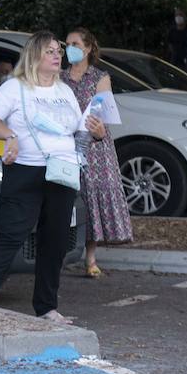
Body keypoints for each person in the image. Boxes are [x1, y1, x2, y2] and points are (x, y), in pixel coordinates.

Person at [0, 31, 105, 324]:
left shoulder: (64, 92)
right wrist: (9, 136)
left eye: (58, 52)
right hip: (26, 168)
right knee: (12, 230)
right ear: (34, 55)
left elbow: (79, 132)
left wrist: (97, 133)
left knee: (56, 240)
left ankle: (47, 308)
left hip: (62, 171)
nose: (57, 55)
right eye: (50, 51)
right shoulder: (15, 87)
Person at [62, 28, 132, 277]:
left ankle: (90, 258)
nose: (69, 47)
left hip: (93, 146)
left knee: (91, 197)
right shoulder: (59, 78)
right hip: (65, 144)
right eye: (67, 43)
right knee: (68, 197)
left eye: (75, 43)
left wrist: (98, 130)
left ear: (89, 48)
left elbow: (104, 111)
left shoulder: (99, 77)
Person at [166, 8, 187, 73]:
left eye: (180, 15)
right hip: (175, 61)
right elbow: (170, 44)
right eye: (176, 15)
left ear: (185, 16)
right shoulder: (172, 31)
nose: (178, 17)